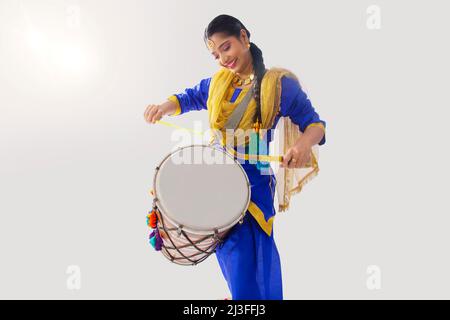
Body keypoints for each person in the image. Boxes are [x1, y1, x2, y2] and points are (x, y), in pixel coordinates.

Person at [144, 14, 326, 300]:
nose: (222, 59)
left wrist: (302, 145)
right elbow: (191, 96)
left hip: (252, 192)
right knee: (231, 261)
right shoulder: (219, 84)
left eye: (226, 47)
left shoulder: (278, 85)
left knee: (252, 270)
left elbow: (316, 125)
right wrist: (163, 107)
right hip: (217, 189)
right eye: (215, 54)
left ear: (244, 37)